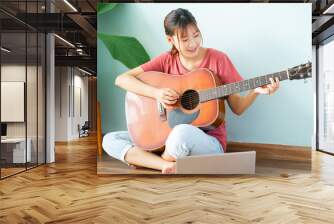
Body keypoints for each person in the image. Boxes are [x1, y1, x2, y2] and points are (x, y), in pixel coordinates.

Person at [102, 8, 280, 174]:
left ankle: (149, 159)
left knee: (181, 132)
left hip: (207, 143)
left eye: (196, 35)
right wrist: (156, 93)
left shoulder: (218, 59)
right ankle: (166, 164)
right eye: (185, 39)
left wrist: (255, 91)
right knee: (110, 139)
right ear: (170, 40)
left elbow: (238, 108)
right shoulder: (166, 60)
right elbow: (122, 79)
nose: (193, 43)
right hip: (164, 139)